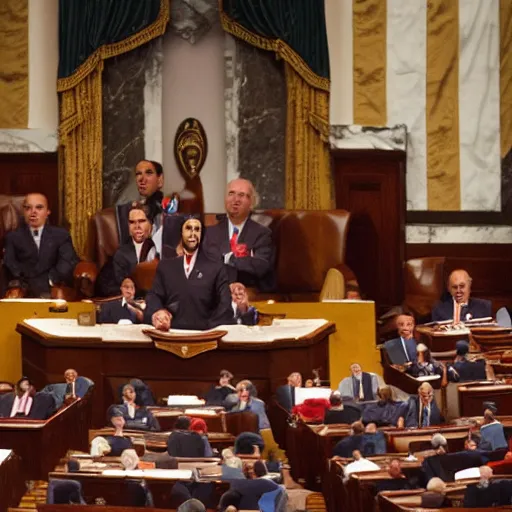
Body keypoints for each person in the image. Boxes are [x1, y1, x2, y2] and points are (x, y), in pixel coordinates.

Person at [145, 216, 234, 330]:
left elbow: (225, 305)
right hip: (171, 333)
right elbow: (154, 296)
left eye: (197, 229)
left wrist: (209, 329)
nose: (193, 233)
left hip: (205, 336)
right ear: (181, 232)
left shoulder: (216, 267)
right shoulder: (165, 266)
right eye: (188, 228)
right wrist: (157, 313)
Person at [203, 178, 275, 291]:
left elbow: (261, 267)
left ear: (251, 202)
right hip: (216, 293)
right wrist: (245, 260)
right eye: (231, 194)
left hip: (248, 293)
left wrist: (229, 259)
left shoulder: (262, 234)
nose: (235, 199)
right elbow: (205, 266)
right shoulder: (209, 233)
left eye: (241, 195)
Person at [3, 193, 79, 297]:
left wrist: (50, 280)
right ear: (24, 212)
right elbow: (10, 263)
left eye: (39, 207)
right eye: (28, 208)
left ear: (48, 211)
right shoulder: (12, 237)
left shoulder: (61, 235)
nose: (33, 212)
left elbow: (67, 262)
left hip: (52, 285)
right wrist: (24, 280)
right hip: (24, 286)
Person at [230, 380, 286, 461]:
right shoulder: (235, 406)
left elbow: (256, 418)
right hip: (244, 436)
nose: (242, 393)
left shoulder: (258, 403)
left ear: (250, 391)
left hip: (261, 432)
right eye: (239, 391)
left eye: (245, 390)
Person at [116, 160, 165, 251]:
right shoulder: (125, 211)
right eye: (138, 174)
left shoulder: (169, 209)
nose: (142, 179)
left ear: (160, 179)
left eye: (149, 173)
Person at [113, 204, 157, 288]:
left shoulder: (160, 244)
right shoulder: (121, 254)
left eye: (141, 221)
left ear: (150, 223)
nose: (137, 227)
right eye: (132, 222)